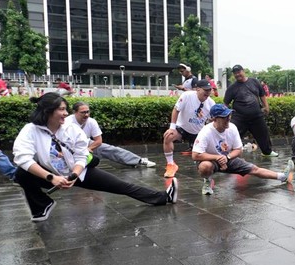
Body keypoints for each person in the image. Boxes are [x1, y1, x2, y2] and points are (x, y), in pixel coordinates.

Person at [12, 93, 177, 222]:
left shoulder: (70, 129)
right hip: (50, 174)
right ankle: (42, 206)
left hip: (78, 173)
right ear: (47, 111)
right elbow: (22, 158)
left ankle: (164, 197)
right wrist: (52, 177)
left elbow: (81, 154)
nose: (65, 113)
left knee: (121, 186)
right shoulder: (31, 130)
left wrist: (74, 174)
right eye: (61, 109)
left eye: (65, 109)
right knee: (21, 174)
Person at [192, 104, 294, 195]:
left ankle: (282, 176)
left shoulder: (232, 128)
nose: (228, 119)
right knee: (205, 166)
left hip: (228, 158)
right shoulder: (206, 132)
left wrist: (227, 158)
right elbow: (195, 155)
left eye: (229, 116)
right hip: (210, 160)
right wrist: (218, 157)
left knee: (254, 169)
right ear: (214, 119)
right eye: (224, 117)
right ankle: (207, 181)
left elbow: (238, 150)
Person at [65, 102, 156, 168]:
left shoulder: (91, 122)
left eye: (88, 112)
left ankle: (139, 161)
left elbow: (98, 141)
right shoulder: (67, 122)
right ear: (75, 112)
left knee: (109, 149)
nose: (86, 115)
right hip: (68, 145)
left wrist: (88, 149)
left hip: (86, 143)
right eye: (83, 112)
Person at [223, 64, 279, 157]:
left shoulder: (254, 82)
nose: (237, 74)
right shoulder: (232, 88)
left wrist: (266, 107)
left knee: (263, 134)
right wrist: (225, 116)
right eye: (235, 73)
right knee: (231, 133)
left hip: (256, 116)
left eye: (239, 72)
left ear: (243, 71)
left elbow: (262, 95)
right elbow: (225, 103)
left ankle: (267, 152)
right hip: (239, 117)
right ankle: (227, 152)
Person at [163, 79, 215, 177]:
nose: (208, 93)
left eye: (209, 90)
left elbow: (213, 120)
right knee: (168, 136)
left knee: (206, 161)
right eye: (205, 90)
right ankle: (170, 164)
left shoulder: (211, 103)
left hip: (198, 132)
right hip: (182, 128)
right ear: (198, 89)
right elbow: (176, 109)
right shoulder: (187, 96)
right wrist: (172, 127)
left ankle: (208, 172)